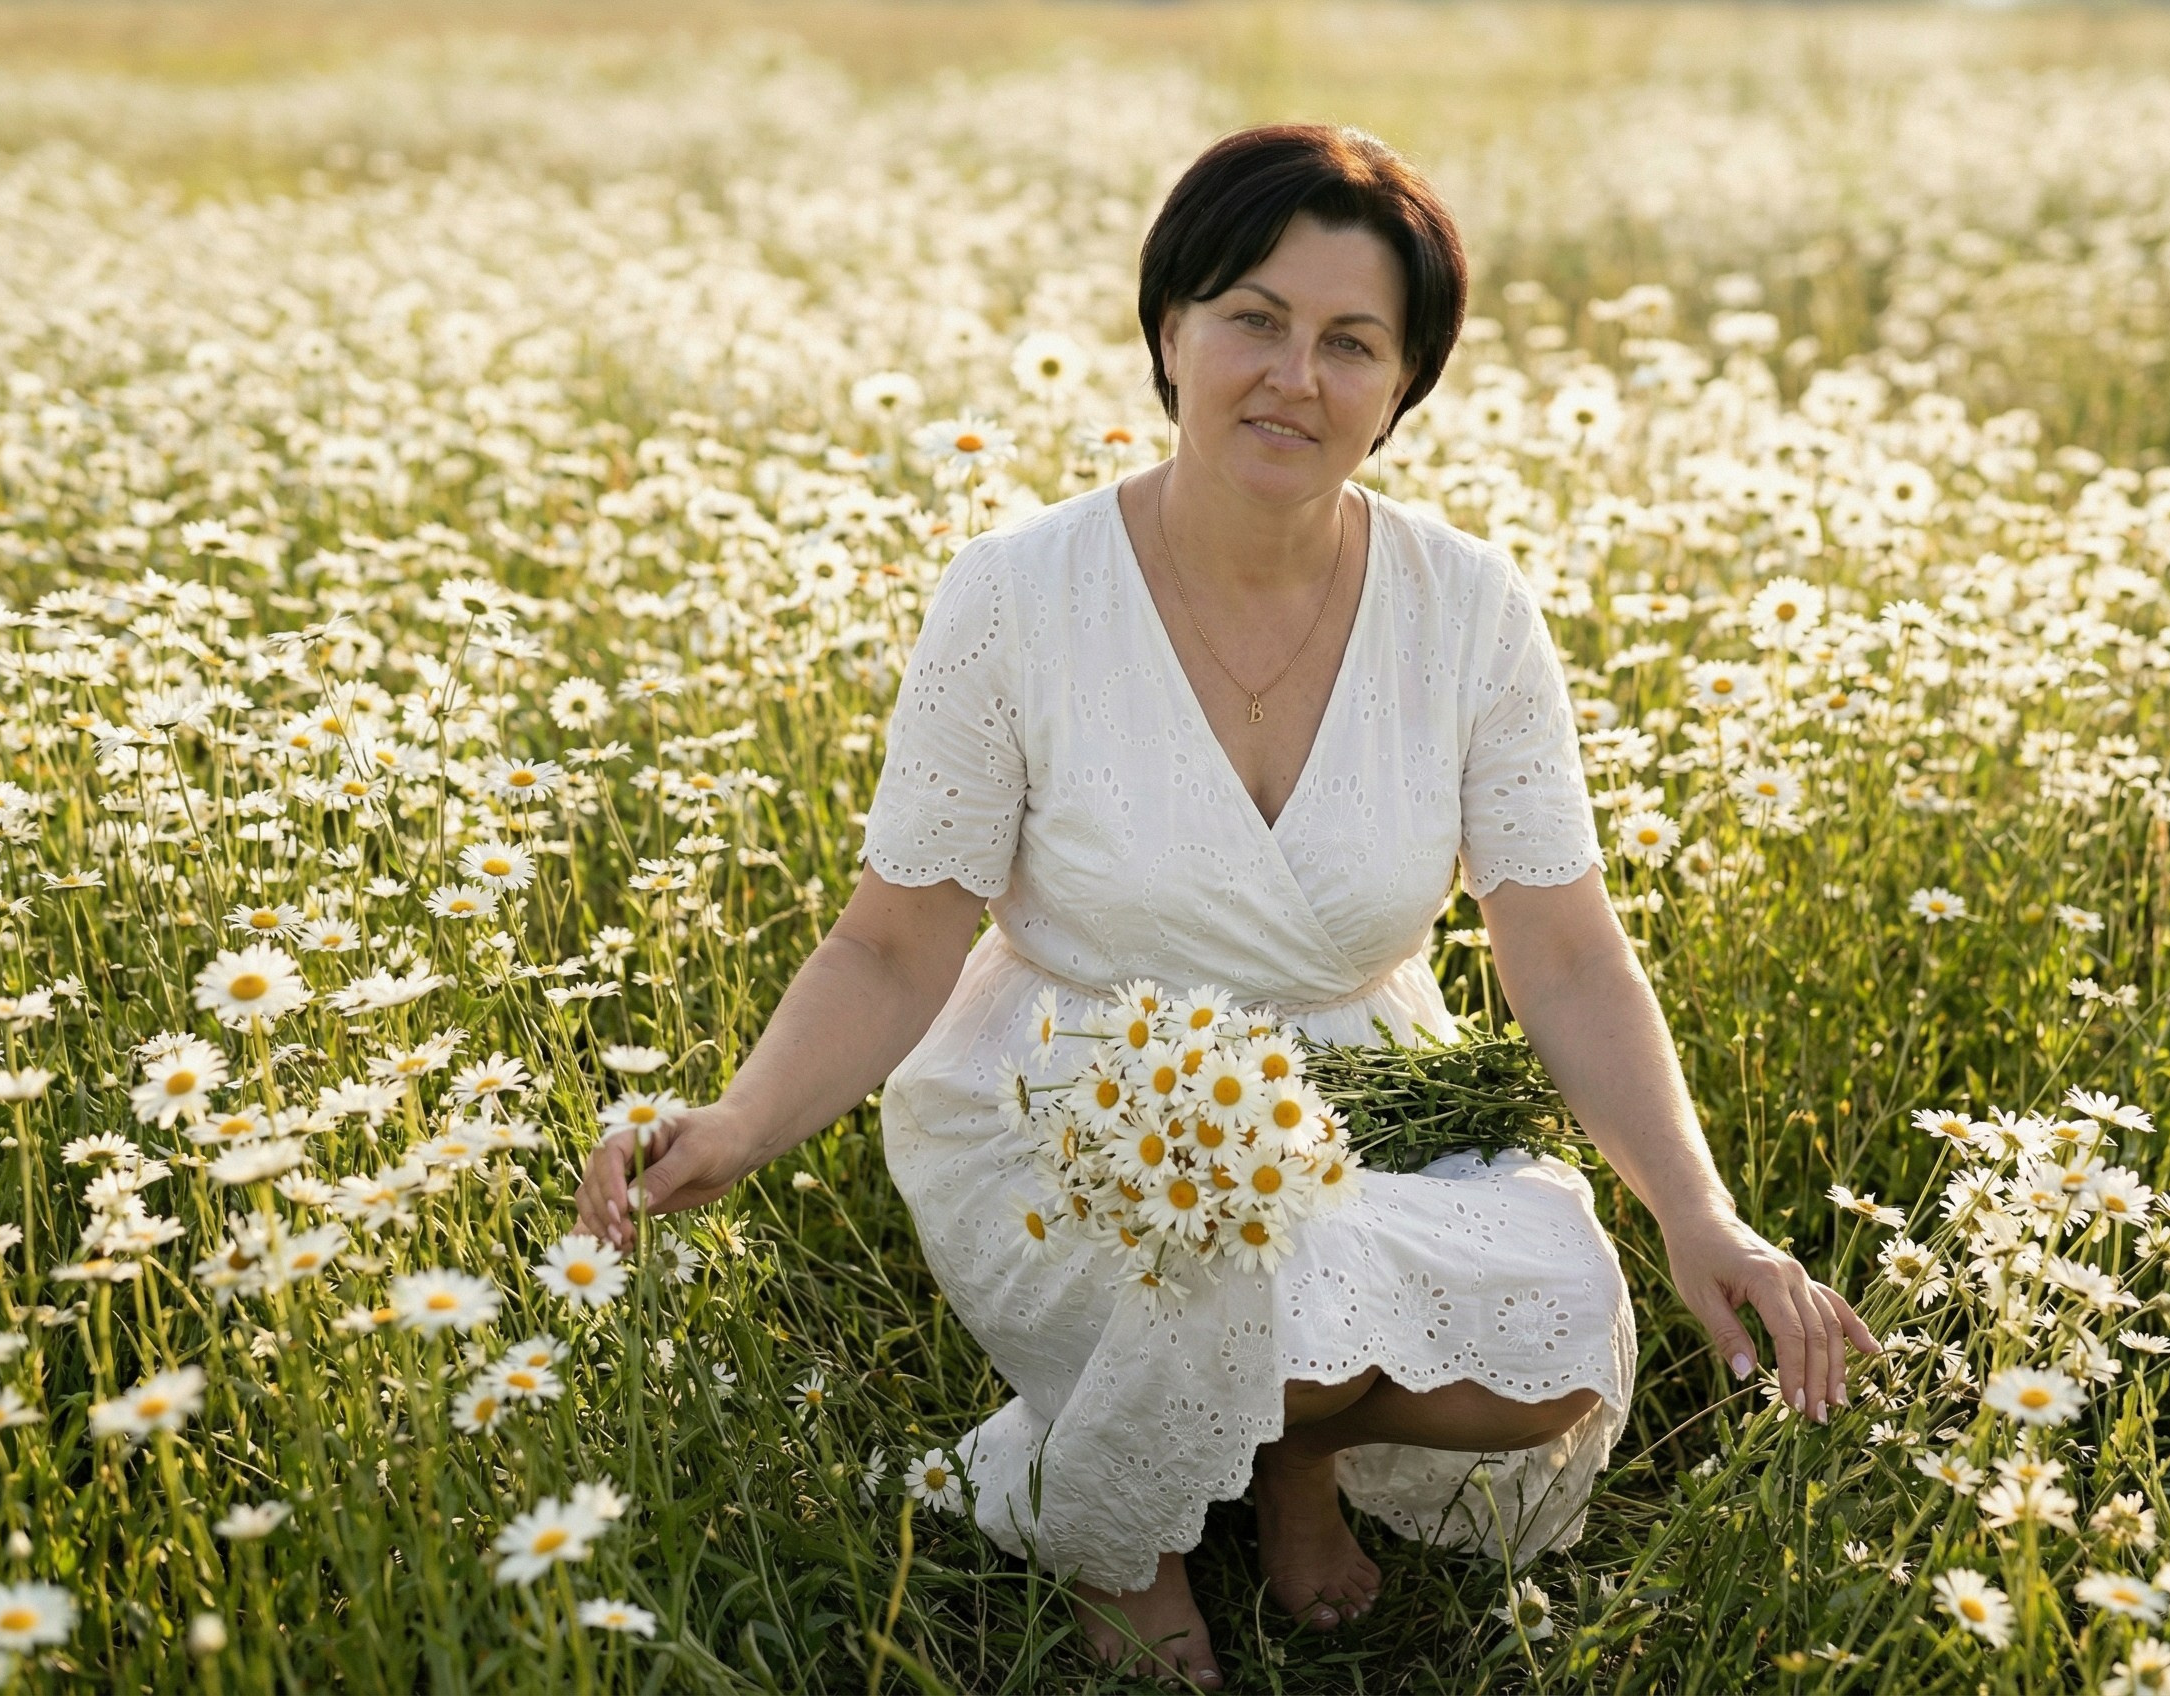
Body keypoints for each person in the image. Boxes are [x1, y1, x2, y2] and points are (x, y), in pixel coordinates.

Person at [575, 122, 1876, 1690]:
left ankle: (1284, 1452)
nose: (1294, 377)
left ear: (1404, 385)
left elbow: (1566, 949)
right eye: (1254, 319)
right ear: (1170, 330)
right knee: (1239, 1278)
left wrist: (1696, 1212)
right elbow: (894, 938)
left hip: (1364, 1084)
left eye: (1351, 342)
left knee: (1547, 1335)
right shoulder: (1015, 595)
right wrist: (739, 1122)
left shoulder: (1469, 609)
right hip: (1069, 1094)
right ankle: (1108, 1529)